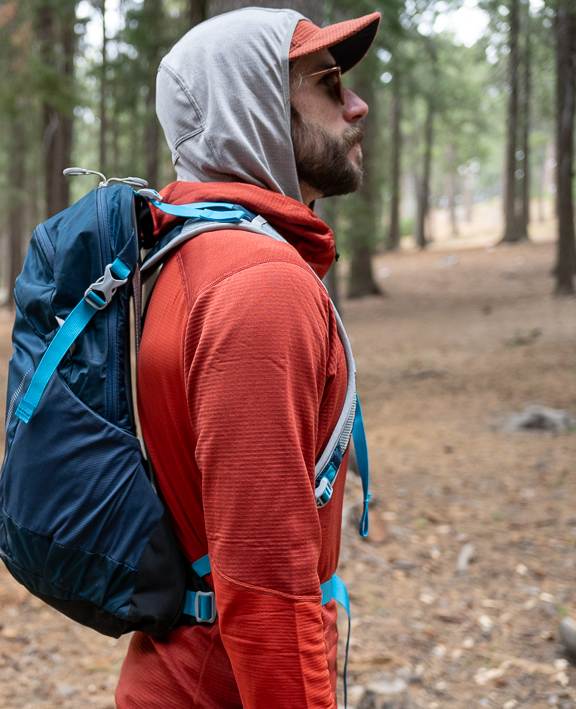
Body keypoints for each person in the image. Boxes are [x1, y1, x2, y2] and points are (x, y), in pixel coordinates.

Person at [115, 7, 380, 709]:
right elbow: (266, 583)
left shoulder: (189, 257)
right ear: (253, 107)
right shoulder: (260, 285)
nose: (357, 104)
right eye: (327, 85)